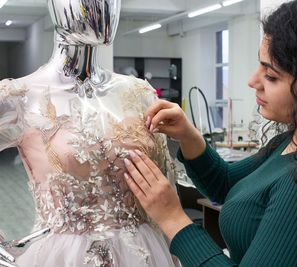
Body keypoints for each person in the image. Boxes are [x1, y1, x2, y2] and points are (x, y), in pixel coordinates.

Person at [122, 0, 297, 266]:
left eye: (271, 76)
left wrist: (173, 219)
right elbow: (229, 187)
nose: (252, 81)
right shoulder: (295, 141)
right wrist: (188, 135)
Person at [0, 0, 179, 266]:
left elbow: (166, 185)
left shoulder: (139, 92)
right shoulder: (21, 96)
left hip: (145, 252)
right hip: (65, 256)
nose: (103, 7)